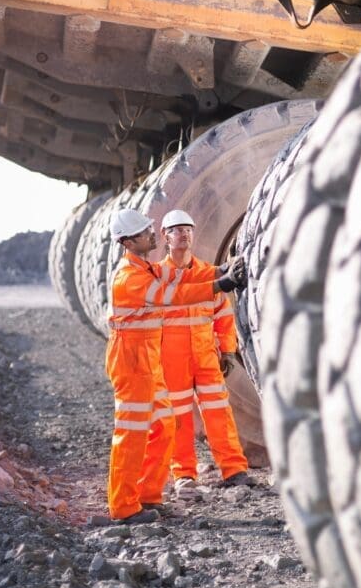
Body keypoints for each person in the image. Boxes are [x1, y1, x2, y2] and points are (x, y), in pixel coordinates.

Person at [105, 207, 243, 523]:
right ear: (128, 242)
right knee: (131, 433)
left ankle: (148, 497)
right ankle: (124, 507)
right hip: (131, 362)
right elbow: (174, 295)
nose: (152, 234)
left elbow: (183, 275)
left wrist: (221, 270)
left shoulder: (147, 270)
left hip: (147, 359)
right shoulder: (130, 278)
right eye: (144, 232)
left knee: (164, 424)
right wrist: (220, 285)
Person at [158, 208, 253, 496]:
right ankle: (184, 474)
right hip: (172, 358)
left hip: (205, 355)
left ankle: (234, 470)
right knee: (179, 417)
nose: (183, 235)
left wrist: (227, 351)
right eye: (177, 230)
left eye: (188, 230)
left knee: (219, 412)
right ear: (165, 237)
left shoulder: (204, 272)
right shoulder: (159, 276)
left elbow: (223, 315)